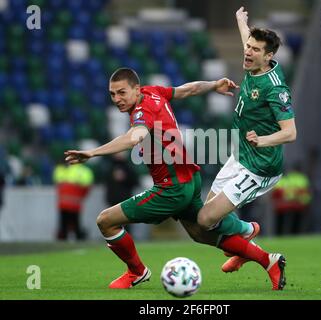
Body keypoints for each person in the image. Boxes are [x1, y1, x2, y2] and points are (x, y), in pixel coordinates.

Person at [65, 67, 282, 290]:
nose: (117, 99)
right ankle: (269, 261)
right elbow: (187, 90)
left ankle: (136, 272)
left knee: (105, 220)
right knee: (202, 234)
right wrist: (213, 85)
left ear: (136, 89)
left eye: (122, 93)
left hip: (171, 189)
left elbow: (134, 137)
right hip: (189, 179)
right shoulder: (153, 92)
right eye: (112, 94)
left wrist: (92, 153)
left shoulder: (142, 110)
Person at [196, 7, 296, 290]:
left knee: (205, 220)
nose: (248, 52)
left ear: (269, 57)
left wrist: (262, 140)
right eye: (247, 47)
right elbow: (248, 43)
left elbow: (290, 133)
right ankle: (246, 242)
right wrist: (242, 22)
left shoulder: (276, 90)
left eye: (254, 49)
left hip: (260, 166)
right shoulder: (254, 61)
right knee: (215, 225)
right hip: (240, 157)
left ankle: (254, 241)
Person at [53, 162, 94, 240]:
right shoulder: (83, 171)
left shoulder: (61, 169)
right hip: (73, 203)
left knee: (65, 225)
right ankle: (77, 238)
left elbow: (58, 184)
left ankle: (66, 239)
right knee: (73, 225)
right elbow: (86, 188)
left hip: (67, 203)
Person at [272, 165, 311, 235]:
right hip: (295, 204)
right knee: (295, 221)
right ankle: (293, 234)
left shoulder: (286, 178)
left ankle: (281, 234)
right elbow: (304, 192)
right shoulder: (301, 178)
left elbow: (278, 192)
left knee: (282, 221)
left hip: (286, 204)